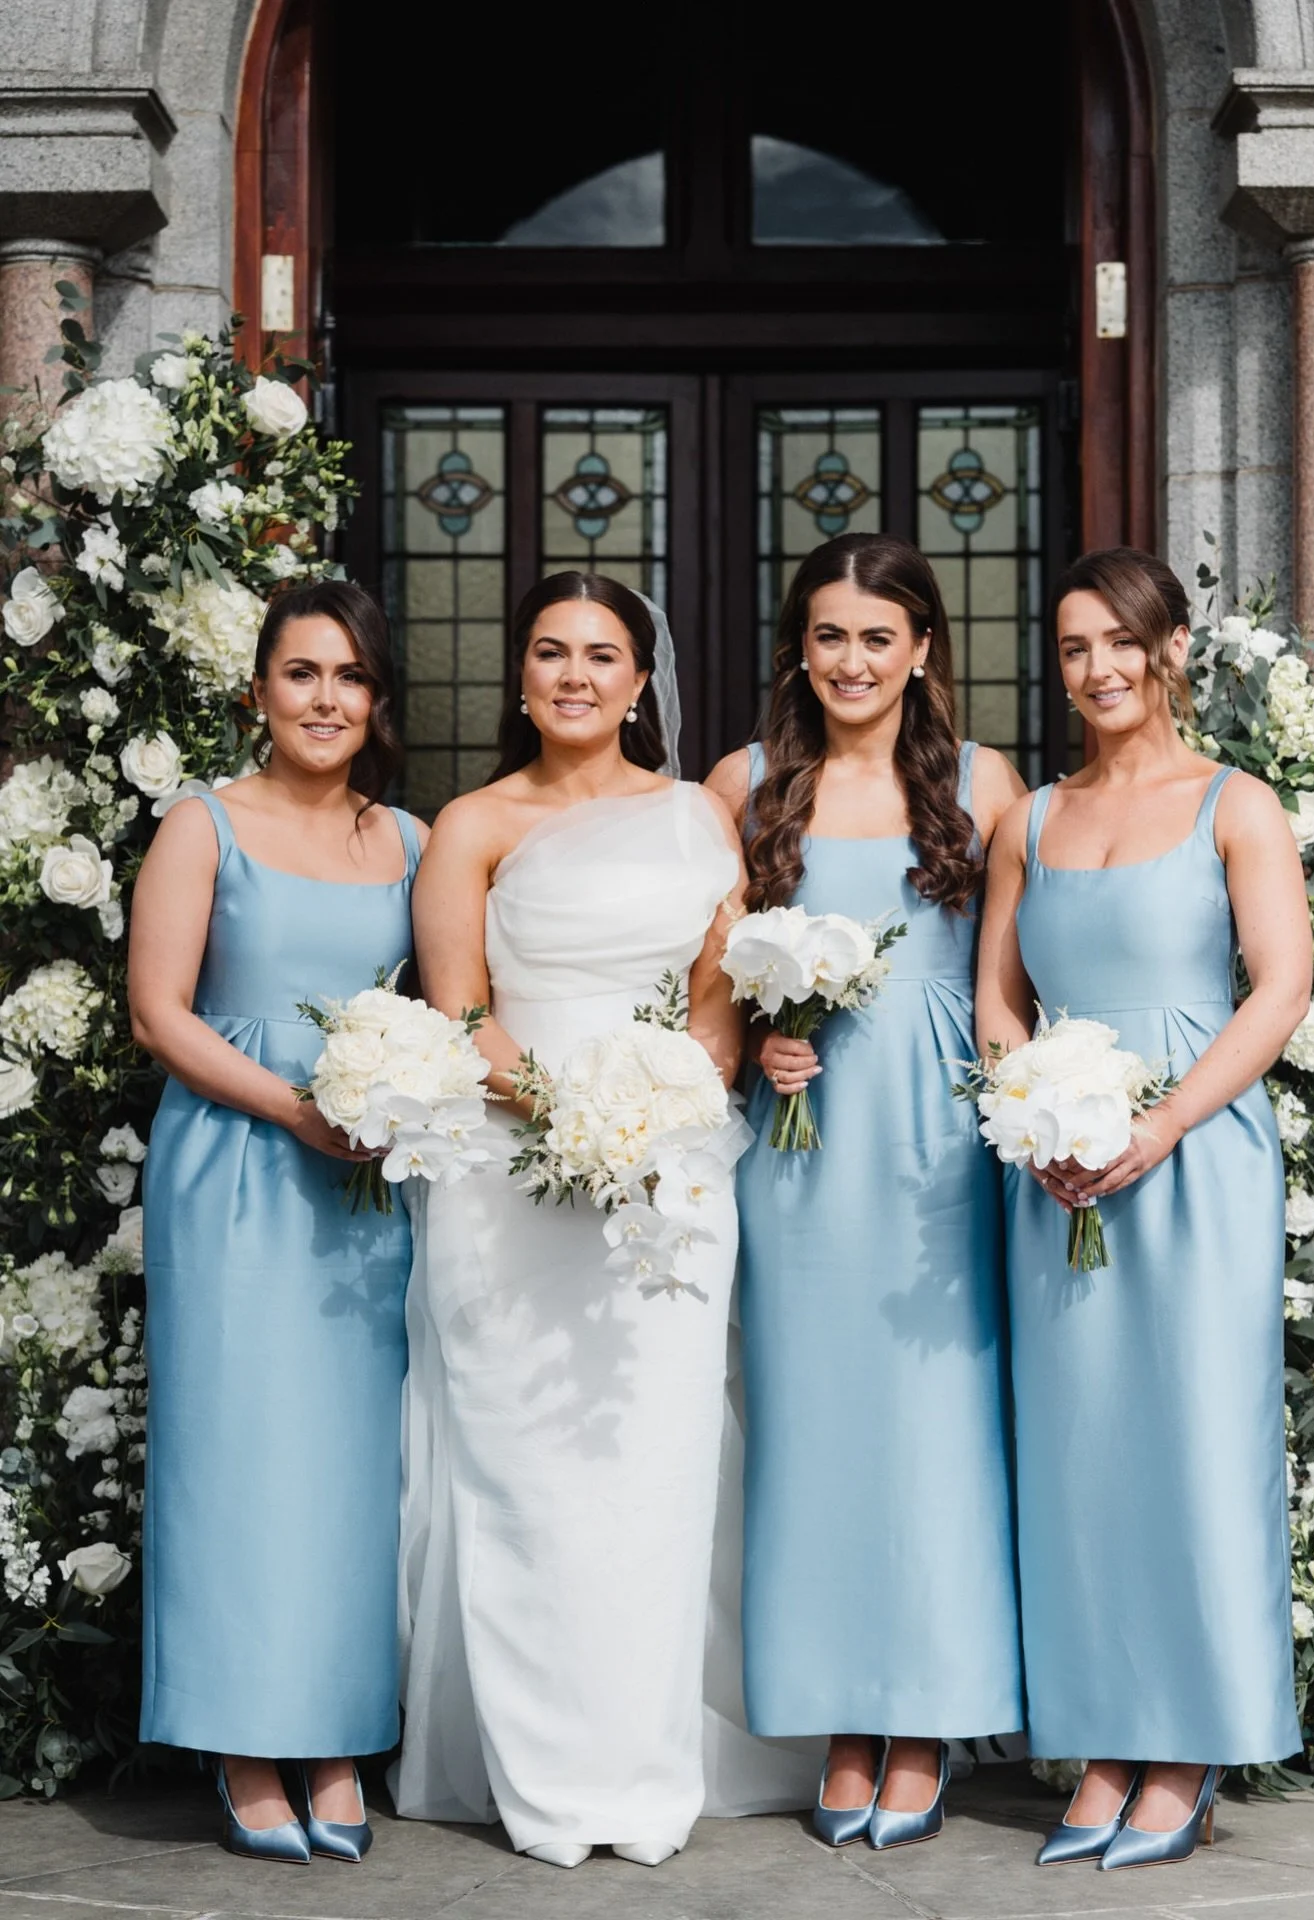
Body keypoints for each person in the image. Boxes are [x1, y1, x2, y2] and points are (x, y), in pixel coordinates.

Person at [391, 572, 813, 1869]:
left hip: (670, 1174)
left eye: (601, 655)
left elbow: (716, 1002)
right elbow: (460, 1014)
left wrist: (655, 1117)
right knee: (526, 1473)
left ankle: (646, 1759)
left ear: (640, 683)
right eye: (550, 652)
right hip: (507, 1181)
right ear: (521, 677)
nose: (574, 675)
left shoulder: (697, 816)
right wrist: (571, 1116)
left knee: (654, 1468)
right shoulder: (470, 825)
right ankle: (548, 1778)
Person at [976, 546, 1311, 1871]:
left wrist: (1162, 1124)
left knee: (1198, 1448)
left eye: (1121, 641)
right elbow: (997, 997)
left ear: (1171, 648)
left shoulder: (1237, 805)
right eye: (1075, 648)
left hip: (1198, 1158)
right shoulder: (1029, 821)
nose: (1099, 668)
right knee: (1083, 1456)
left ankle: (1189, 1748)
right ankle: (1106, 1740)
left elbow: (1279, 987)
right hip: (1058, 1170)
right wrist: (1032, 1110)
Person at [707, 532, 1028, 1851]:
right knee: (816, 1426)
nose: (852, 661)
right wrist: (758, 1045)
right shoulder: (740, 784)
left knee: (938, 1431)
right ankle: (843, 1715)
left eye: (878, 637)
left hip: (940, 1136)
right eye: (830, 635)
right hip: (804, 1143)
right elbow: (704, 982)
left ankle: (930, 1713)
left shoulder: (984, 782)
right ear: (799, 648)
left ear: (922, 650)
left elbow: (1018, 970)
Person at [130, 580, 426, 1863]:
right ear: (258, 690)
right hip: (237, 1167)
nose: (325, 699)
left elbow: (445, 1005)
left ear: (378, 699)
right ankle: (247, 1741)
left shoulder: (409, 841)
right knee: (238, 1451)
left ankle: (337, 1731)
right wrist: (296, 1109)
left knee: (352, 1465)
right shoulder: (202, 823)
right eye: (302, 673)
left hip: (367, 1183)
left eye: (350, 676)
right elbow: (160, 1013)